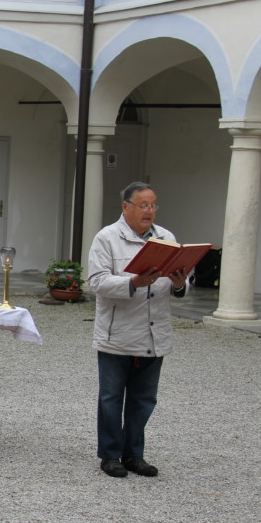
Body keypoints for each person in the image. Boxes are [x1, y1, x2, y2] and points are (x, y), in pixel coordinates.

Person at [87, 182, 189, 478]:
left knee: (144, 399)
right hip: (117, 332)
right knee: (111, 398)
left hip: (154, 332)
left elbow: (177, 287)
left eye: (153, 205)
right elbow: (96, 282)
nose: (150, 211)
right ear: (126, 207)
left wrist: (180, 282)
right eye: (143, 205)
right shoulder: (107, 238)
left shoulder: (166, 238)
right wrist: (133, 282)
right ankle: (110, 455)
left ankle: (134, 454)